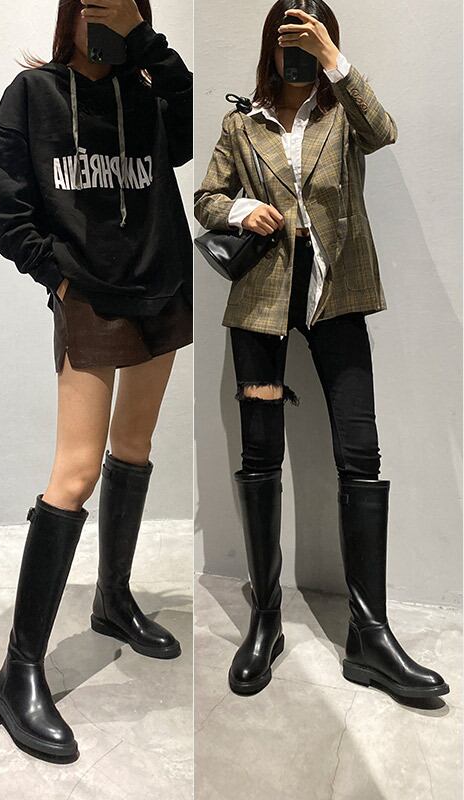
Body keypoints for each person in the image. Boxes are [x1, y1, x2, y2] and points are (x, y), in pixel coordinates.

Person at [195, 0, 448, 700]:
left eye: (310, 39)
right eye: (288, 38)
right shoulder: (242, 124)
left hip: (337, 297)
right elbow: (207, 198)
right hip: (261, 306)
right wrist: (242, 209)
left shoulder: (343, 116)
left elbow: (384, 131)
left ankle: (370, 636)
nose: (297, 50)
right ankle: (266, 619)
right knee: (259, 454)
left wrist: (336, 60)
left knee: (360, 454)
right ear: (269, 47)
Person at [0, 0, 193, 762]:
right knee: (74, 473)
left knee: (133, 446)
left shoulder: (150, 90)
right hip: (90, 297)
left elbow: (193, 134)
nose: (103, 21)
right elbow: (5, 211)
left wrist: (147, 45)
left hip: (163, 286)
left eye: (122, 6)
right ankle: (18, 672)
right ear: (70, 14)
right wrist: (60, 279)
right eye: (93, 6)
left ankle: (113, 599)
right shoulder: (32, 95)